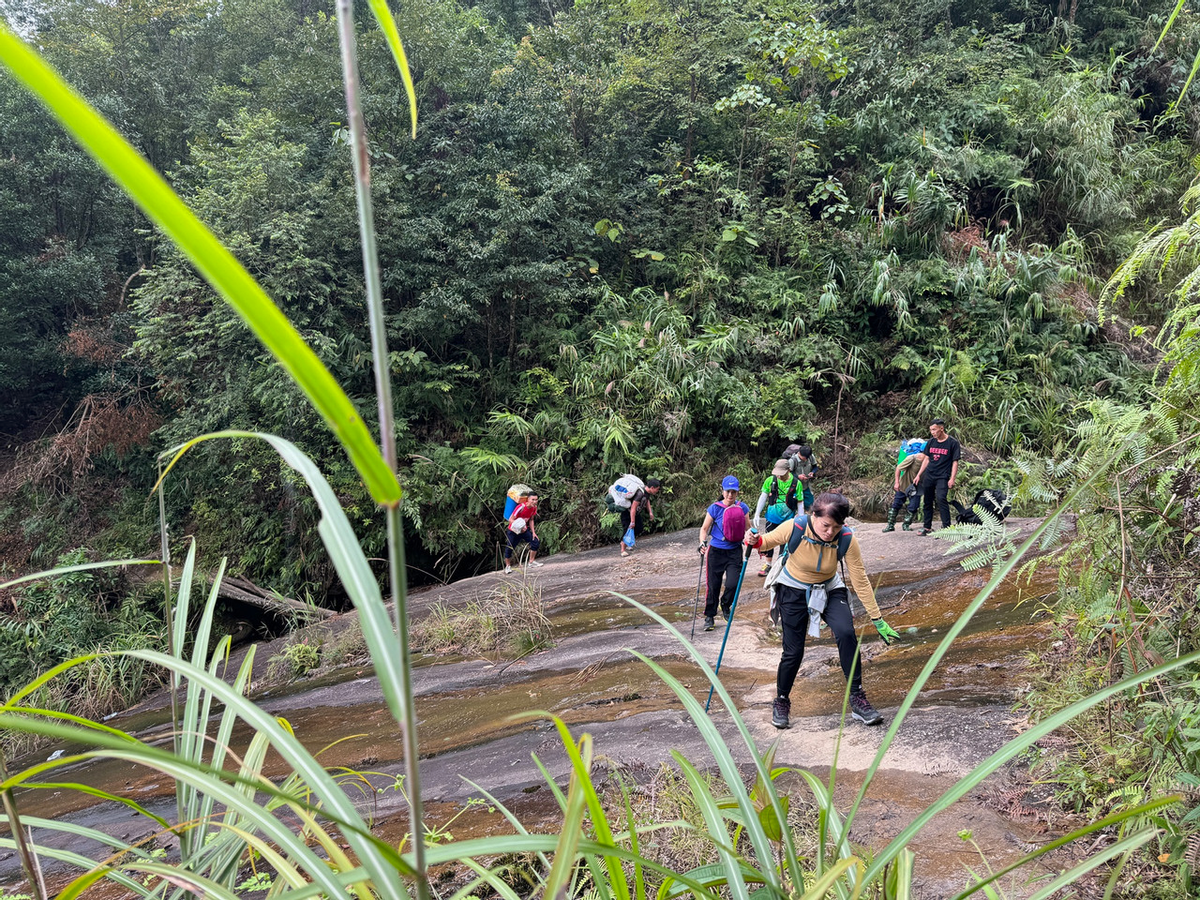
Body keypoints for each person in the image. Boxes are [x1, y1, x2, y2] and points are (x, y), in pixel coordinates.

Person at [746, 492, 900, 729]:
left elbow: (860, 580)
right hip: (792, 588)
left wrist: (877, 619)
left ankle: (858, 699)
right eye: (826, 525)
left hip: (829, 588)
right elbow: (765, 542)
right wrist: (753, 539)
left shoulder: (847, 538)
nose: (830, 532)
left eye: (836, 527)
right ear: (814, 515)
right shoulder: (795, 526)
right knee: (793, 651)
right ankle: (782, 700)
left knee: (846, 633)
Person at [698, 476, 751, 632]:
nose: (730, 495)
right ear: (722, 491)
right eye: (728, 491)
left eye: (733, 492)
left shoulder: (743, 508)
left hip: (734, 551)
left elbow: (748, 528)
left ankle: (726, 604)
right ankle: (709, 616)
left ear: (737, 492)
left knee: (733, 583)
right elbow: (704, 529)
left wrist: (753, 536)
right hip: (716, 552)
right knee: (713, 586)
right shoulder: (714, 508)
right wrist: (702, 543)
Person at [754, 458, 801, 576]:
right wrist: (757, 514)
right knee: (769, 539)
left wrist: (801, 518)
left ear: (788, 470)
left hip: (788, 518)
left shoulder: (797, 483)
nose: (779, 476)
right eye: (777, 474)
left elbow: (800, 502)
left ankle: (781, 564)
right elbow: (763, 496)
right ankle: (768, 565)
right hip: (772, 517)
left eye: (782, 474)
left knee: (785, 542)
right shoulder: (770, 480)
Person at [915, 419, 961, 535]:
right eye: (931, 430)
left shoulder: (952, 443)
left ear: (941, 428)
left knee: (941, 499)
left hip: (943, 476)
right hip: (929, 475)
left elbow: (955, 462)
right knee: (927, 501)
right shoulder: (931, 442)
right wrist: (919, 474)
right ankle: (927, 527)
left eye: (934, 429)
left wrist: (952, 478)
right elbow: (926, 459)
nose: (932, 432)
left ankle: (947, 527)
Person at [611, 476, 661, 557]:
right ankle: (623, 550)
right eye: (657, 489)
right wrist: (632, 521)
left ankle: (627, 543)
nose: (657, 491)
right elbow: (633, 508)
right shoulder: (640, 493)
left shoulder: (647, 493)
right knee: (627, 529)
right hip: (628, 514)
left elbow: (647, 501)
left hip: (636, 514)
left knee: (639, 528)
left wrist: (650, 512)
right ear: (652, 487)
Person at [883, 438, 925, 532]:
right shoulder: (912, 458)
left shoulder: (928, 462)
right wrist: (897, 482)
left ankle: (906, 524)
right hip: (904, 484)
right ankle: (890, 525)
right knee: (896, 504)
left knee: (914, 506)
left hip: (916, 487)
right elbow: (898, 468)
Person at [504, 493, 543, 574]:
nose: (535, 501)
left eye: (536, 500)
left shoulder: (534, 508)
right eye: (533, 499)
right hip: (513, 531)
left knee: (535, 542)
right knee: (509, 548)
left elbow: (531, 519)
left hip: (524, 531)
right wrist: (520, 526)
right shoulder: (521, 507)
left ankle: (531, 562)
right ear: (528, 499)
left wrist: (533, 532)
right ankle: (508, 566)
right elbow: (511, 519)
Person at [788, 445, 819, 511]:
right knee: (794, 504)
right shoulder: (793, 460)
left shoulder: (810, 457)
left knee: (810, 505)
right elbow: (788, 473)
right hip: (795, 487)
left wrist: (812, 472)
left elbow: (815, 467)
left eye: (807, 458)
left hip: (806, 486)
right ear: (799, 453)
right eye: (804, 458)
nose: (805, 460)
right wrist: (798, 477)